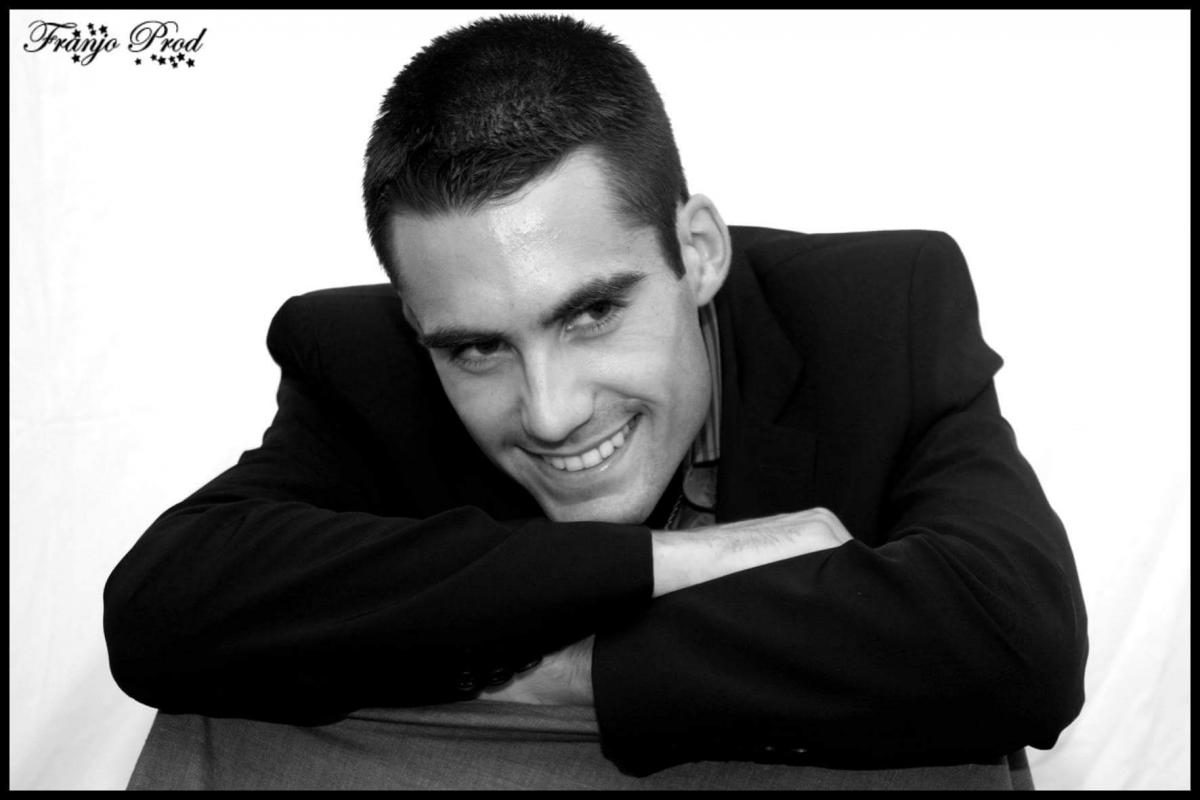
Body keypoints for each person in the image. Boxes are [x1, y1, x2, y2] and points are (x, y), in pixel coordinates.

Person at [103, 13, 1088, 790]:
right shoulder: (362, 360)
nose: (549, 411)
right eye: (477, 347)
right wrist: (674, 562)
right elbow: (166, 607)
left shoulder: (878, 312)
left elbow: (1019, 643)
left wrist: (557, 668)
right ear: (415, 323)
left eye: (592, 312)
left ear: (698, 250)